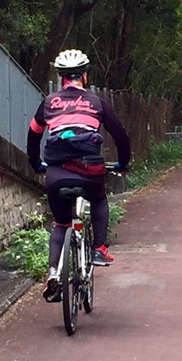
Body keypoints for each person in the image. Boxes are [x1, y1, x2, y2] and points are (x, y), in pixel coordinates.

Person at [27, 49, 131, 301]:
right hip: (89, 170)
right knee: (99, 199)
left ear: (61, 77)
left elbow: (33, 135)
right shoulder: (97, 103)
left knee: (61, 224)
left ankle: (53, 272)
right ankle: (99, 249)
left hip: (56, 173)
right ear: (84, 76)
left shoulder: (49, 102)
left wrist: (36, 164)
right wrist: (122, 163)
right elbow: (120, 135)